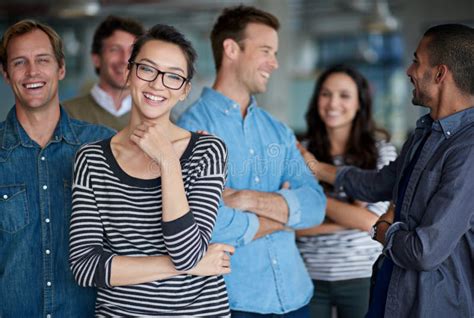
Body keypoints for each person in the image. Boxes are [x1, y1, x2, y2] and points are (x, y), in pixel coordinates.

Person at [309, 24, 474, 318]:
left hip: (432, 304)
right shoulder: (424, 133)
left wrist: (381, 229)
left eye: (416, 61)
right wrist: (316, 167)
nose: (409, 70)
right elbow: (379, 184)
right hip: (390, 289)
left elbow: (425, 251)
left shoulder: (468, 149)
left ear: (440, 74)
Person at [69, 24, 234, 317]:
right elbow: (84, 266)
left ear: (184, 90)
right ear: (129, 73)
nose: (158, 84)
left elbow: (186, 250)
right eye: (147, 69)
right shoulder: (92, 159)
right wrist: (191, 265)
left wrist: (168, 162)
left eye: (173, 76)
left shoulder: (208, 151)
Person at [178, 5, 326, 317]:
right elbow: (206, 225)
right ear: (231, 49)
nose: (274, 63)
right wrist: (283, 215)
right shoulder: (188, 129)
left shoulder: (278, 130)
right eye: (265, 51)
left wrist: (243, 198)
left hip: (298, 297)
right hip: (236, 304)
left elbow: (315, 206)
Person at [0, 20, 114, 317]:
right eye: (19, 62)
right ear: (5, 73)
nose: (32, 72)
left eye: (42, 60)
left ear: (61, 68)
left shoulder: (104, 146)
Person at [295, 64, 397, 318]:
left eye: (344, 95)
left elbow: (371, 221)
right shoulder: (298, 152)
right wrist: (353, 216)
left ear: (360, 102)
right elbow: (292, 224)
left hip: (362, 275)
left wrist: (317, 201)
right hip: (308, 276)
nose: (333, 103)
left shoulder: (381, 152)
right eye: (326, 94)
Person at [63, 15, 144, 130]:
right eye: (115, 49)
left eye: (132, 51)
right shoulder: (65, 114)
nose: (125, 59)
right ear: (96, 59)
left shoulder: (158, 116)